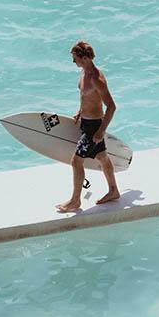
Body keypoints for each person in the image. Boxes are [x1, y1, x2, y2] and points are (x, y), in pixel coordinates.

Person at [56, 41, 121, 213]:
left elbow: (111, 107)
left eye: (75, 58)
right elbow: (87, 98)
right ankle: (113, 190)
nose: (73, 61)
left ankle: (75, 201)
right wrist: (80, 111)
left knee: (76, 161)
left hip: (94, 127)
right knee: (102, 157)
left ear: (85, 58)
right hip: (85, 123)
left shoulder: (96, 80)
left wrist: (101, 131)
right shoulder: (84, 72)